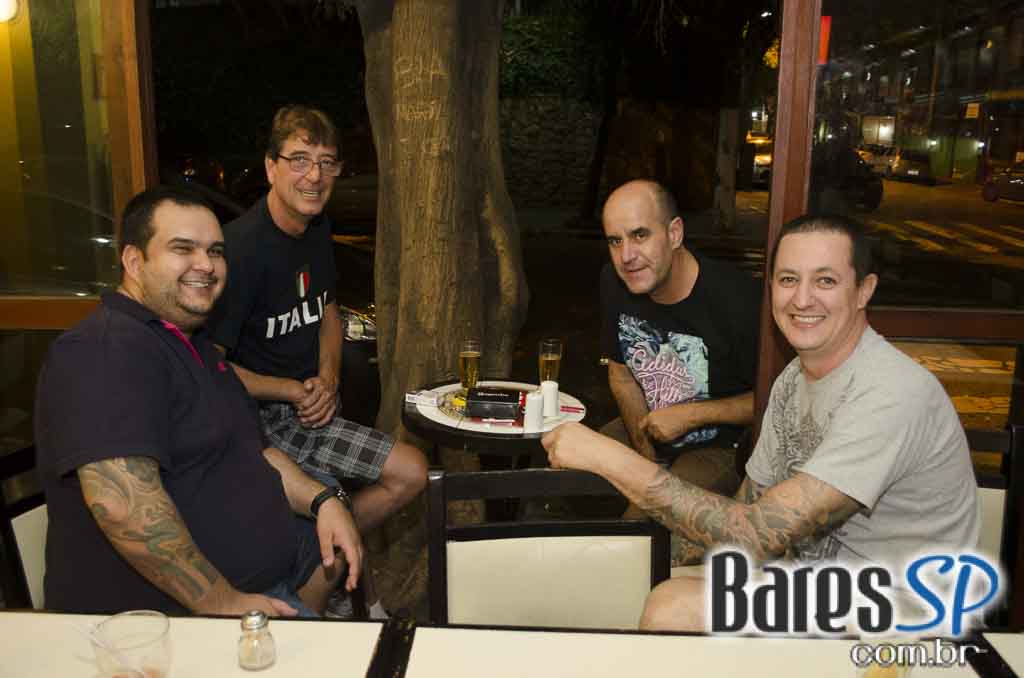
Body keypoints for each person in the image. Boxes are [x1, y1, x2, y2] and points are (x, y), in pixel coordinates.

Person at [545, 214, 979, 631]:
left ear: (864, 291)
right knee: (628, 585)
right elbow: (747, 508)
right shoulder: (793, 380)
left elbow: (756, 535)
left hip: (903, 617)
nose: (802, 299)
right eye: (788, 280)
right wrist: (647, 558)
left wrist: (612, 459)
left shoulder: (891, 392)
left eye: (825, 281)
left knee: (672, 609)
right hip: (812, 585)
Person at [35, 186, 363, 617]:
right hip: (172, 624)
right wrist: (221, 602)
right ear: (134, 261)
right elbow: (122, 504)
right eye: (182, 248)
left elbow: (257, 451)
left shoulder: (193, 344)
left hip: (270, 581)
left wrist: (323, 501)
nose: (206, 265)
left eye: (215, 251)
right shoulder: (105, 350)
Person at [205, 106, 427, 614]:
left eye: (327, 163)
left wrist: (328, 378)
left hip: (310, 408)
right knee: (330, 515)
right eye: (300, 159)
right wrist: (287, 389)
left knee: (412, 471)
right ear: (271, 167)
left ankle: (320, 567)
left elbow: (327, 311)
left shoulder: (316, 229)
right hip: (257, 424)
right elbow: (209, 368)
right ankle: (324, 604)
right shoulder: (239, 250)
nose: (314, 176)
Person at [599, 179, 760, 504]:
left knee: (649, 523)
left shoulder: (738, 299)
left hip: (719, 446)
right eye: (615, 241)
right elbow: (621, 374)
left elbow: (775, 400)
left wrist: (691, 415)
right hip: (644, 426)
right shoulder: (615, 282)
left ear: (674, 234)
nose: (626, 256)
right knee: (564, 477)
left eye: (640, 235)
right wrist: (647, 461)